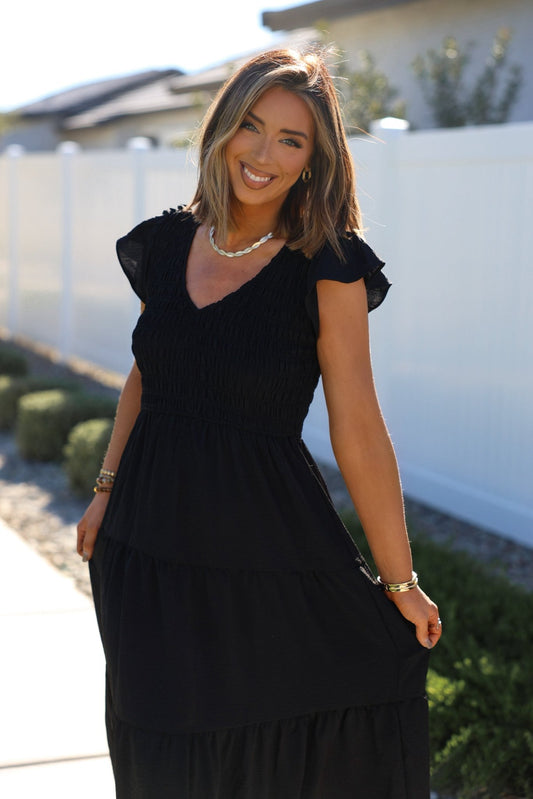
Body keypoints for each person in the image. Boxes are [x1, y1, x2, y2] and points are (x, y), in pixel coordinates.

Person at [77, 47, 441, 799]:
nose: (263, 153)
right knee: (156, 755)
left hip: (262, 550)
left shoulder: (329, 264)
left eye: (291, 139)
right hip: (144, 548)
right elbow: (147, 375)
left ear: (315, 159)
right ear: (222, 129)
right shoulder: (168, 241)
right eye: (251, 126)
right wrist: (106, 489)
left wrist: (399, 579)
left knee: (265, 752)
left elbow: (359, 427)